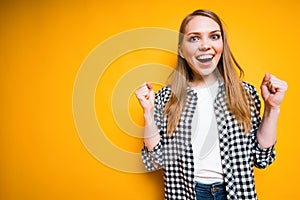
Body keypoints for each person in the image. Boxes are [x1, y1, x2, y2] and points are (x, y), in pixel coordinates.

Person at [135, 9, 287, 200]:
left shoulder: (245, 93)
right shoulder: (167, 98)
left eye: (214, 36)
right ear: (181, 50)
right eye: (194, 38)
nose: (205, 45)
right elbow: (155, 161)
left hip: (236, 193)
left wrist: (273, 108)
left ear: (222, 44)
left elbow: (261, 157)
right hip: (185, 194)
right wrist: (148, 113)